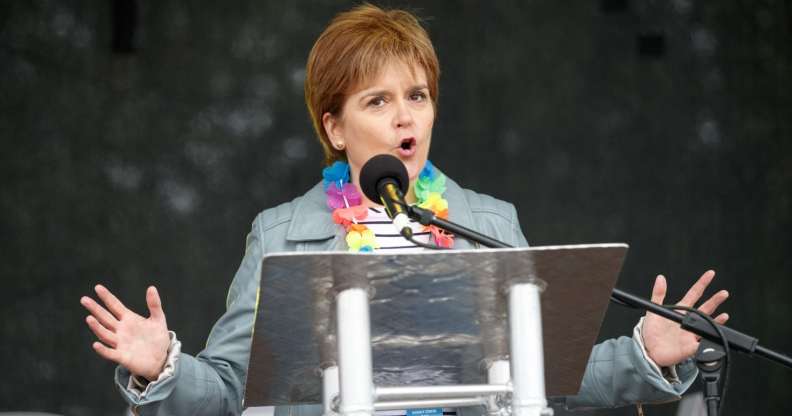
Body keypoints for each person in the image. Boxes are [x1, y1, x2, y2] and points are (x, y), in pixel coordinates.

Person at [79, 4, 730, 416]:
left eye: (417, 95)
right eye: (377, 101)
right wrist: (163, 365)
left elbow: (549, 379)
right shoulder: (280, 234)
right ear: (334, 127)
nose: (404, 115)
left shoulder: (489, 222)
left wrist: (646, 353)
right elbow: (229, 390)